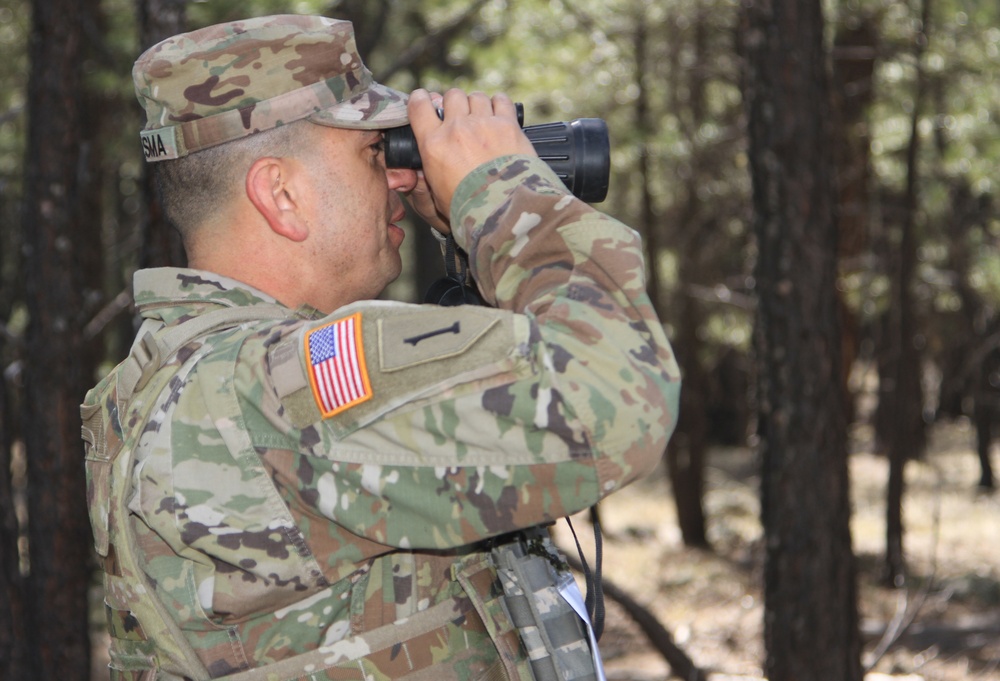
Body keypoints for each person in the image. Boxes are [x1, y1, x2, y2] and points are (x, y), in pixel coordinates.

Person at [80, 14, 681, 681]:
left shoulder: (179, 381)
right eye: (375, 153)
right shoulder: (279, 387)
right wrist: (502, 192)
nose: (401, 177)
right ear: (281, 193)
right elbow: (618, 394)